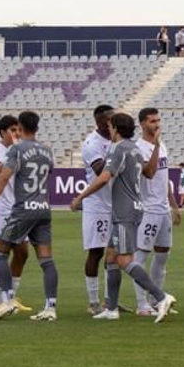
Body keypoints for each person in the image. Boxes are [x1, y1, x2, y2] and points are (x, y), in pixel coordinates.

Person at [71, 111, 176, 322]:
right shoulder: (135, 149)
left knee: (124, 259)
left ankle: (161, 296)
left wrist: (80, 196)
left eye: (111, 127)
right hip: (132, 208)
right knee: (110, 256)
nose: (109, 130)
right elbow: (147, 171)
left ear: (116, 129)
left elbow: (104, 177)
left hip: (125, 211)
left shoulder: (118, 149)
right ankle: (111, 309)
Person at [0, 110, 59, 322]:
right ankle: (50, 307)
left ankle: (6, 300)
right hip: (43, 208)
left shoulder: (16, 149)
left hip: (23, 209)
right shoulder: (47, 150)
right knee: (46, 260)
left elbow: (4, 176)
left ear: (22, 127)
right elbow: (48, 171)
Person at [133, 108, 181, 316]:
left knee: (162, 255)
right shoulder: (138, 148)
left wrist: (174, 205)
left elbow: (164, 178)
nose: (156, 124)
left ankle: (156, 300)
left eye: (158, 120)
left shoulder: (163, 147)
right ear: (143, 124)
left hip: (163, 209)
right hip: (147, 210)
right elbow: (150, 173)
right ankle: (141, 304)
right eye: (152, 121)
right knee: (141, 256)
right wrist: (156, 146)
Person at [0, 115, 29, 312]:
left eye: (18, 130)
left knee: (22, 253)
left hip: (19, 208)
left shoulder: (20, 149)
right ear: (2, 132)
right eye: (12, 130)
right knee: (0, 253)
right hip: (2, 209)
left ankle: (11, 298)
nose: (17, 134)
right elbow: (1, 171)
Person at [79, 105, 115, 315]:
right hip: (97, 206)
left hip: (115, 204)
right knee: (96, 252)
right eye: (109, 120)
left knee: (115, 253)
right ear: (100, 123)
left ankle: (111, 300)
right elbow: (102, 171)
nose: (112, 123)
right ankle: (93, 302)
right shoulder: (92, 144)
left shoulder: (115, 140)